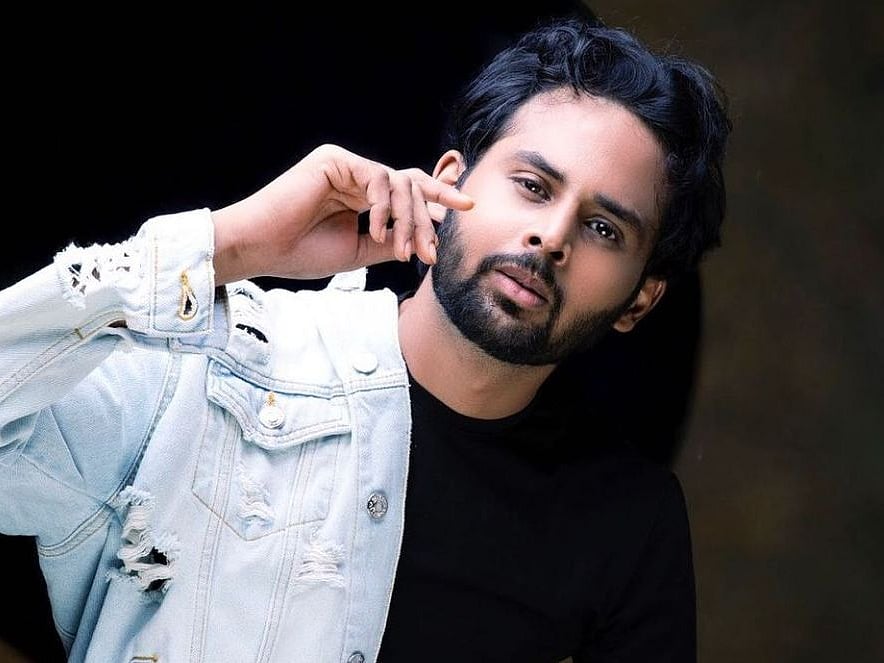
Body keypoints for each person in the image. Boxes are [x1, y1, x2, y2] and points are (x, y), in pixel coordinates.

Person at [0, 12, 730, 663]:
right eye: (533, 186)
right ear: (450, 182)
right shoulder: (208, 367)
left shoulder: (627, 525)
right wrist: (230, 245)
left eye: (604, 227)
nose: (552, 235)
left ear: (640, 299)